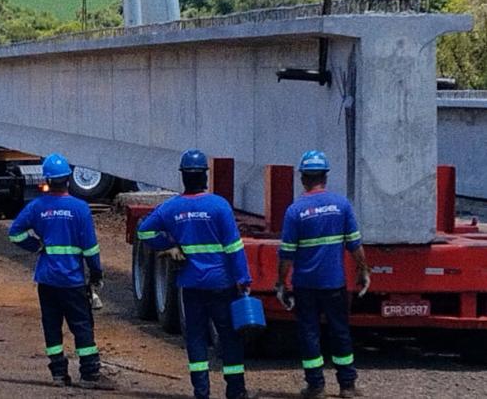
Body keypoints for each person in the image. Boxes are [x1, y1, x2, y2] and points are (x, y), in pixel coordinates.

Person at [137, 148, 254, 399]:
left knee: (196, 338)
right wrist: (243, 279)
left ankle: (201, 391)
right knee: (229, 337)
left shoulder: (172, 208)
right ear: (204, 176)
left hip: (191, 285)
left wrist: (168, 245)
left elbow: (144, 232)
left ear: (183, 177)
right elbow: (234, 248)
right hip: (221, 284)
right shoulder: (219, 206)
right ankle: (236, 391)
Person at [7, 153, 114, 390]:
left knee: (52, 326)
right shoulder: (80, 208)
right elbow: (90, 248)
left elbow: (15, 233)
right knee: (82, 326)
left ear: (46, 180)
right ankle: (88, 374)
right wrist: (96, 273)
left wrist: (35, 245)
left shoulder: (36, 208)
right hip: (72, 280)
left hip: (47, 280)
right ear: (67, 179)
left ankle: (58, 374)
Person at [276, 150, 370, 399]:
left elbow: (286, 254)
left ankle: (315, 385)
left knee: (309, 333)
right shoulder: (341, 205)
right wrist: (363, 271)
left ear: (303, 178)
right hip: (334, 284)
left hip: (305, 285)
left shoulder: (295, 211)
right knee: (340, 331)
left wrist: (281, 284)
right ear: (325, 177)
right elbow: (355, 245)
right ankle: (347, 385)